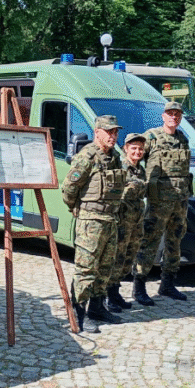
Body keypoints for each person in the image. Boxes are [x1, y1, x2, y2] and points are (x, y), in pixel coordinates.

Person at [61, 115, 125, 333]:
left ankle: (97, 308)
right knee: (86, 269)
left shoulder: (115, 157)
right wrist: (77, 208)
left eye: (115, 132)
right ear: (97, 132)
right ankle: (78, 315)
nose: (113, 136)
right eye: (109, 132)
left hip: (110, 220)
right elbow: (69, 188)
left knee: (105, 268)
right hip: (91, 221)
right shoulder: (87, 156)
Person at [133, 102, 191, 305]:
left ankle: (167, 284)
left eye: (177, 114)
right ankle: (139, 287)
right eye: (170, 114)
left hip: (179, 201)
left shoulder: (183, 139)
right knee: (149, 242)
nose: (173, 117)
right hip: (159, 202)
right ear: (163, 116)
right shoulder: (151, 136)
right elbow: (135, 157)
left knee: (174, 243)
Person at [106, 133, 147, 312]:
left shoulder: (140, 170)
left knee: (128, 259)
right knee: (117, 259)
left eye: (140, 149)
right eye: (134, 148)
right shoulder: (121, 167)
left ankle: (116, 292)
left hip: (135, 223)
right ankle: (110, 295)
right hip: (121, 223)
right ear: (125, 148)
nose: (137, 151)